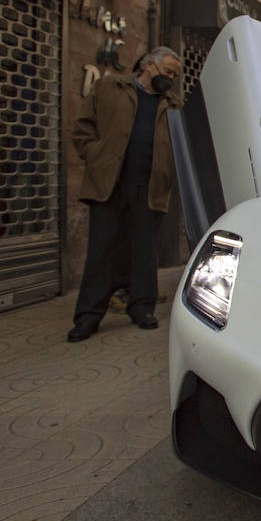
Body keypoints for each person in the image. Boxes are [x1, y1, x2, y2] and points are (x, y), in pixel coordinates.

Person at [68, 46, 182, 342]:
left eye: (175, 75)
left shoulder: (173, 105)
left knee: (144, 252)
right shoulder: (109, 87)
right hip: (110, 183)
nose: (170, 78)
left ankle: (142, 308)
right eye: (168, 71)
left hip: (151, 187)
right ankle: (88, 317)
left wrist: (168, 171)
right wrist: (95, 155)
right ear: (148, 65)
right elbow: (82, 128)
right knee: (101, 251)